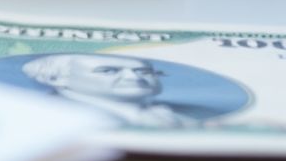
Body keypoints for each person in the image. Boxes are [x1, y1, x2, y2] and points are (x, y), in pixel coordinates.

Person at [19, 53, 199, 129]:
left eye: (143, 71)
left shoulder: (185, 115)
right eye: (108, 71)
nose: (134, 78)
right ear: (54, 78)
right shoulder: (49, 117)